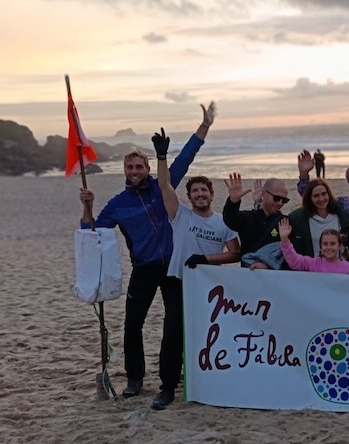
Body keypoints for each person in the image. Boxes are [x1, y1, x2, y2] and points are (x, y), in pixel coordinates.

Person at [78, 109, 214, 400]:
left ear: (148, 168)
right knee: (132, 326)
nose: (135, 171)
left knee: (173, 327)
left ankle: (167, 385)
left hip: (174, 268)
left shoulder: (162, 188)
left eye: (140, 167)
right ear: (125, 171)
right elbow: (91, 232)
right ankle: (135, 379)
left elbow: (186, 158)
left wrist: (204, 126)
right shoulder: (117, 204)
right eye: (131, 168)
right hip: (144, 268)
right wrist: (87, 206)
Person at [150, 126, 240, 410]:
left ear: (212, 194)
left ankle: (207, 381)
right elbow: (164, 185)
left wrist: (205, 260)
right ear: (189, 196)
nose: (200, 194)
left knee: (208, 333)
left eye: (204, 190)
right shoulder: (180, 215)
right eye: (195, 191)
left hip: (209, 286)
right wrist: (162, 156)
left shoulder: (223, 223)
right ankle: (167, 387)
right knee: (173, 334)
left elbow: (235, 253)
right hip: (178, 281)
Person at [222, 174, 289, 269]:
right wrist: (233, 201)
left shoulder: (286, 222)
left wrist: (267, 265)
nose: (280, 203)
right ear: (264, 193)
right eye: (277, 198)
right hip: (249, 275)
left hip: (275, 277)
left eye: (284, 200)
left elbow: (292, 254)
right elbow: (230, 220)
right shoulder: (249, 218)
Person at [287, 178, 349, 257]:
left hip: (338, 266)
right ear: (310, 198)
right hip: (314, 267)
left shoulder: (340, 214)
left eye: (324, 194)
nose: (321, 199)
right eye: (316, 196)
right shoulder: (300, 218)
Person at [278, 219, 349, 275]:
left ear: (339, 246)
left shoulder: (348, 268)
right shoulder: (313, 264)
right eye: (325, 244)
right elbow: (294, 262)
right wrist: (284, 240)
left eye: (333, 243)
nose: (329, 247)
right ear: (320, 247)